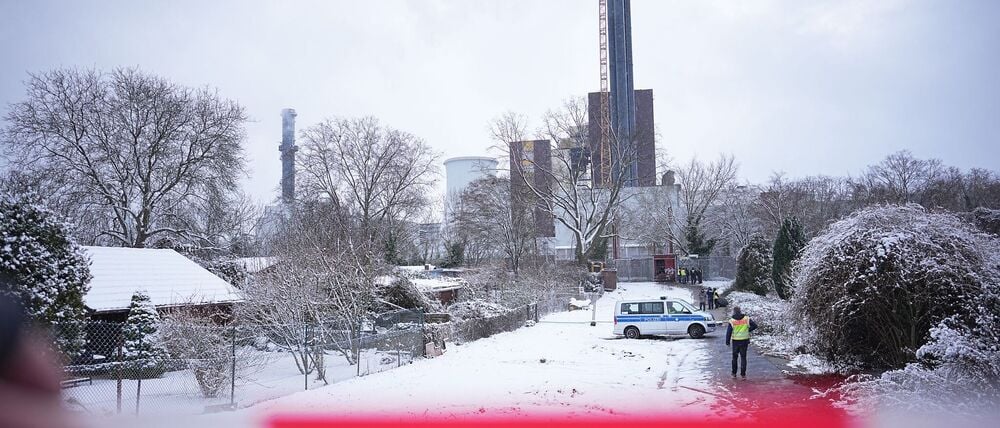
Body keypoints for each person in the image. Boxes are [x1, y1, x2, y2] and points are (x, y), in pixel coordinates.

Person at [726, 305, 759, 379]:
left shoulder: (732, 321)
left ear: (734, 312)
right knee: (743, 357)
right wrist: (748, 330)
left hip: (736, 341)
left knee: (735, 357)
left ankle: (734, 373)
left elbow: (728, 332)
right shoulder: (746, 318)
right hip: (744, 340)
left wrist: (727, 342)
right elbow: (755, 326)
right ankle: (743, 374)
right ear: (740, 311)